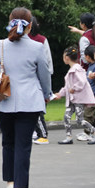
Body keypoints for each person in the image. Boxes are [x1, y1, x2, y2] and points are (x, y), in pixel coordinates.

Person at [0, 7, 51, 188]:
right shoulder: (37, 48)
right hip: (29, 101)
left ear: (10, 22)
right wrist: (46, 94)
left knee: (8, 142)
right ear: (30, 26)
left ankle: (10, 183)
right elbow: (44, 76)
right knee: (23, 145)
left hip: (3, 99)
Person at [51, 46, 95, 145]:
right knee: (66, 116)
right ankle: (69, 137)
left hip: (78, 99)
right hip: (72, 100)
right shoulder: (72, 69)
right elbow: (67, 87)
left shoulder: (77, 69)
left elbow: (82, 82)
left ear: (67, 58)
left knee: (79, 120)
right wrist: (60, 94)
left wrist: (74, 88)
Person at [28, 16, 53, 145]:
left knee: (36, 109)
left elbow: (47, 63)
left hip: (34, 79)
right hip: (37, 79)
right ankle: (36, 132)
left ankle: (41, 134)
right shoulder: (41, 40)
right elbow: (48, 62)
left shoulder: (39, 40)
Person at [78, 45, 95, 141]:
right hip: (90, 94)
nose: (84, 58)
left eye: (84, 56)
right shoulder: (91, 66)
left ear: (88, 56)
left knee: (88, 114)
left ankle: (87, 133)